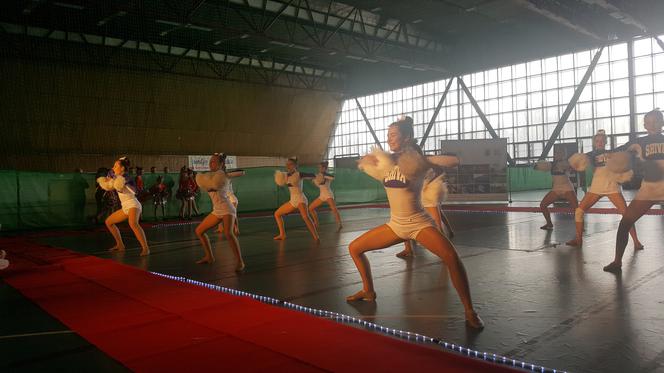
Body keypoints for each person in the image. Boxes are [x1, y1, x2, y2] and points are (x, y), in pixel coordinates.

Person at [346, 116, 483, 329]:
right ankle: (368, 291)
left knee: (451, 257)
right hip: (395, 225)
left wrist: (425, 160)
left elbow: (454, 161)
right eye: (388, 134)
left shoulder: (416, 161)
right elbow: (367, 163)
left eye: (394, 135)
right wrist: (369, 160)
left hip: (419, 223)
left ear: (407, 138)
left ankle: (469, 310)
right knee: (354, 248)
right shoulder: (387, 163)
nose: (389, 138)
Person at [604, 109, 664, 272]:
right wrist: (608, 155)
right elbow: (621, 151)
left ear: (659, 122)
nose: (645, 123)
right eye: (645, 120)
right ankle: (617, 262)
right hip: (649, 189)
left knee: (625, 224)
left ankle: (617, 262)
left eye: (648, 120)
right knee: (625, 223)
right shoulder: (640, 142)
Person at [566, 130, 643, 250]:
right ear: (594, 143)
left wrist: (637, 144)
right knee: (579, 211)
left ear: (606, 142)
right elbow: (576, 163)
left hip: (612, 186)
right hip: (596, 187)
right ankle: (578, 239)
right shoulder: (590, 155)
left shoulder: (613, 152)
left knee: (627, 215)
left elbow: (627, 147)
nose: (600, 143)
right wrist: (572, 165)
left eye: (602, 141)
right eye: (597, 141)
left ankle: (636, 242)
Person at [194, 153, 245, 270]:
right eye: (210, 161)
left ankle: (240, 262)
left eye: (213, 161)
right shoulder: (209, 177)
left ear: (221, 164)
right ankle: (209, 257)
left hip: (227, 209)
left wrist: (226, 173)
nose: (210, 163)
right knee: (199, 231)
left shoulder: (223, 176)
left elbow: (242, 171)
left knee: (228, 233)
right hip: (217, 210)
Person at [396, 167, 455, 258]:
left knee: (437, 223)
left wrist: (432, 184)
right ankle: (408, 248)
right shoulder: (406, 166)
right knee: (406, 219)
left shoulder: (422, 165)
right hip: (416, 194)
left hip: (427, 195)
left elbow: (439, 172)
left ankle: (445, 248)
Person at [97, 157, 150, 256]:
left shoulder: (127, 178)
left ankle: (145, 248)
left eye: (116, 166)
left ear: (122, 168)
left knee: (133, 223)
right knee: (108, 222)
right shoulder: (116, 177)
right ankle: (120, 245)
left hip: (133, 204)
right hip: (125, 206)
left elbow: (134, 191)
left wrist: (123, 182)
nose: (113, 167)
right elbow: (109, 186)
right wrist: (106, 180)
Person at [273, 157, 319, 241]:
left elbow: (314, 176)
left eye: (290, 164)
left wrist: (316, 180)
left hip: (301, 199)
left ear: (295, 165)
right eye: (287, 164)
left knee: (305, 217)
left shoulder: (299, 174)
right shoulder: (285, 175)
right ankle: (282, 235)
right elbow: (280, 181)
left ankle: (316, 237)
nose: (288, 166)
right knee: (277, 214)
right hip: (293, 201)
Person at [535, 147, 579, 230]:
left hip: (567, 188)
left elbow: (572, 167)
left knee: (576, 208)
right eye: (556, 153)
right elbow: (536, 167)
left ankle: (580, 225)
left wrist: (571, 167)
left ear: (564, 155)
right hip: (556, 189)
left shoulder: (566, 163)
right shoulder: (550, 164)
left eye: (560, 153)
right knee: (543, 205)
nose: (558, 154)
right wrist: (537, 166)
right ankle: (549, 223)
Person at [308, 161, 343, 231]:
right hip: (322, 196)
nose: (319, 168)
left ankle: (339, 224)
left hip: (328, 195)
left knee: (334, 209)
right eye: (319, 167)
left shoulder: (326, 175)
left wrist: (323, 175)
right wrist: (314, 180)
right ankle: (316, 222)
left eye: (320, 167)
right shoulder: (318, 175)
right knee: (310, 208)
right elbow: (318, 184)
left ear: (324, 168)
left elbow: (333, 177)